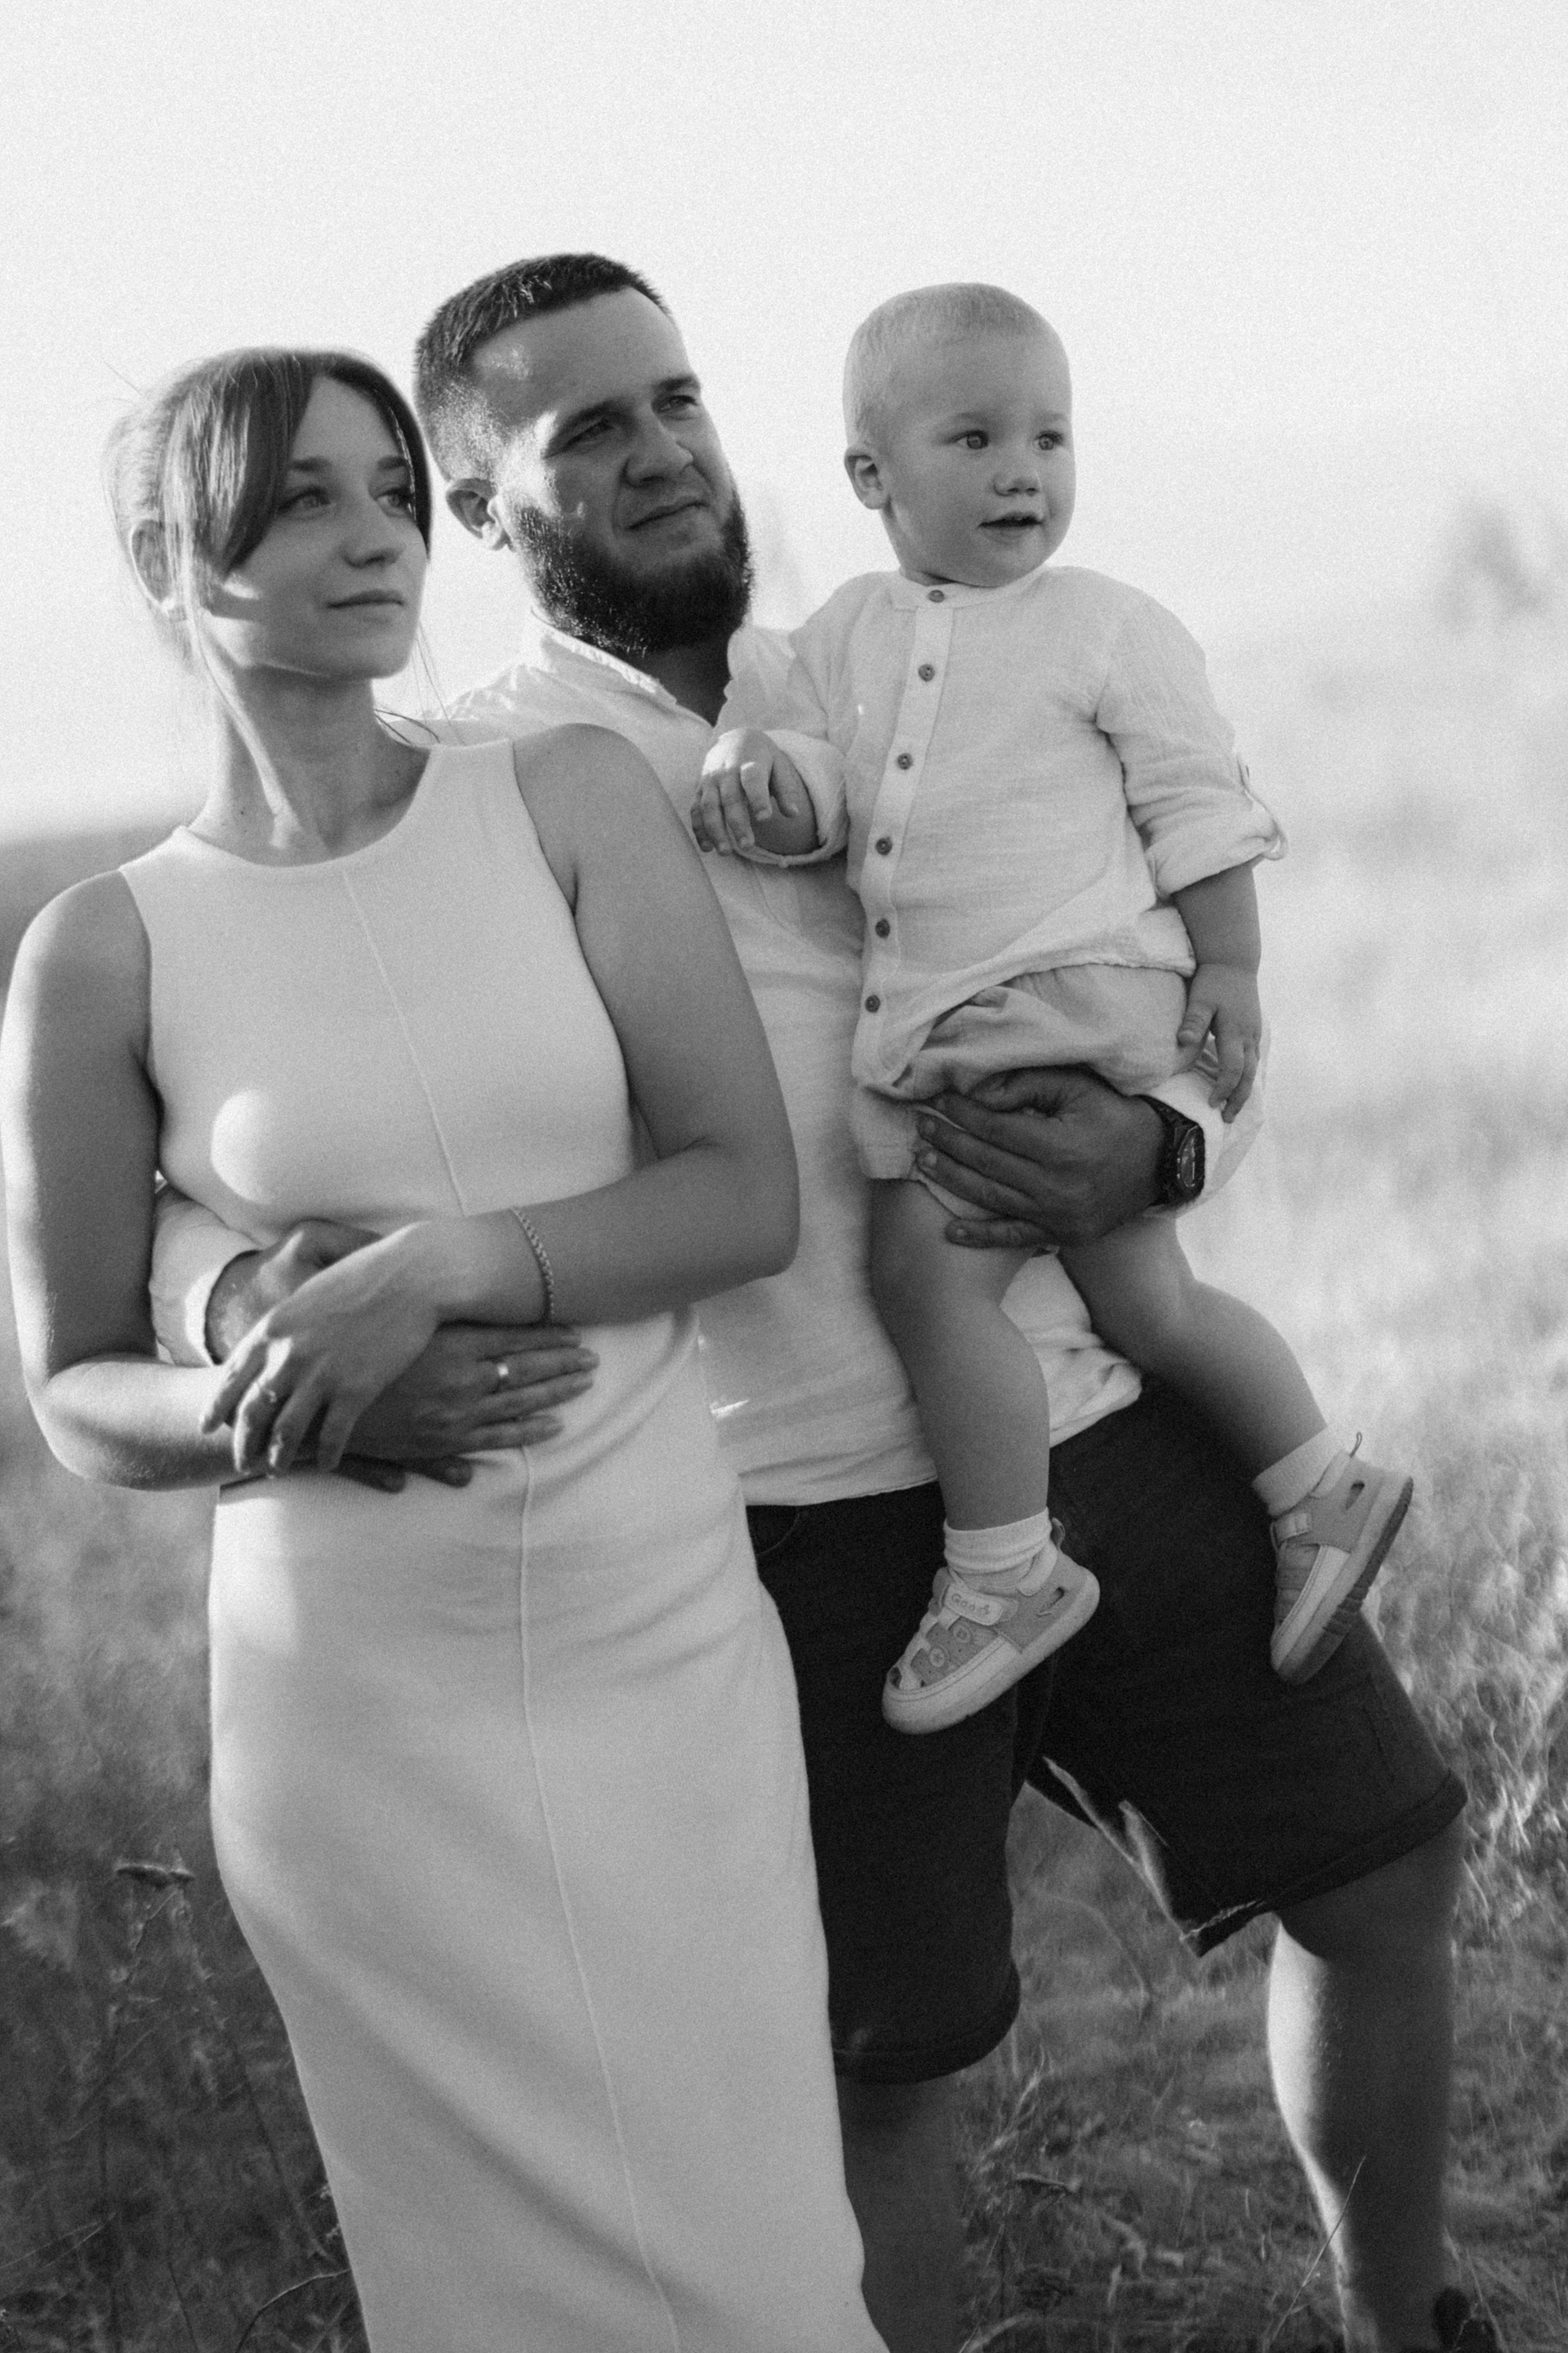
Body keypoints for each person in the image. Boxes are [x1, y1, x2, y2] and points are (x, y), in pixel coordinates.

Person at [149, 261, 1481, 2353]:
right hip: (791, 1518)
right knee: (877, 2067)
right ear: (477, 507)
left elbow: (1154, 946)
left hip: (1094, 1407)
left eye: (677, 397)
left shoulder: (886, 655)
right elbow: (215, 1128)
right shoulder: (478, 779)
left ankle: (1408, 2326)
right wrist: (233, 1284)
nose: (663, 449)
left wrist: (1167, 1149)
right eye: (589, 429)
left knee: (1384, 1869)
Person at [0, 346, 888, 2353]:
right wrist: (285, 1409)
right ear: (172, 560)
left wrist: (445, 1269)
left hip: (657, 1650)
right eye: (304, 499)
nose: (376, 535)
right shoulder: (102, 951)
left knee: (766, 2269)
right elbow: (76, 1388)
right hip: (354, 1717)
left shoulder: (561, 800)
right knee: (480, 2301)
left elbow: (739, 1191)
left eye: (393, 489)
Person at [690, 281, 1413, 1731]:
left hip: (1052, 1007)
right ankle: (1317, 1479)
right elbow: (824, 788)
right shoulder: (843, 632)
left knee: (925, 1277)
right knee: (1145, 1295)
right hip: (998, 1022)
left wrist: (1233, 967)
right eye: (975, 439)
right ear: (871, 475)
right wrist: (762, 786)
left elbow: (1197, 806)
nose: (1023, 470)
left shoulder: (1106, 625)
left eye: (1050, 437)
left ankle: (1004, 1567)